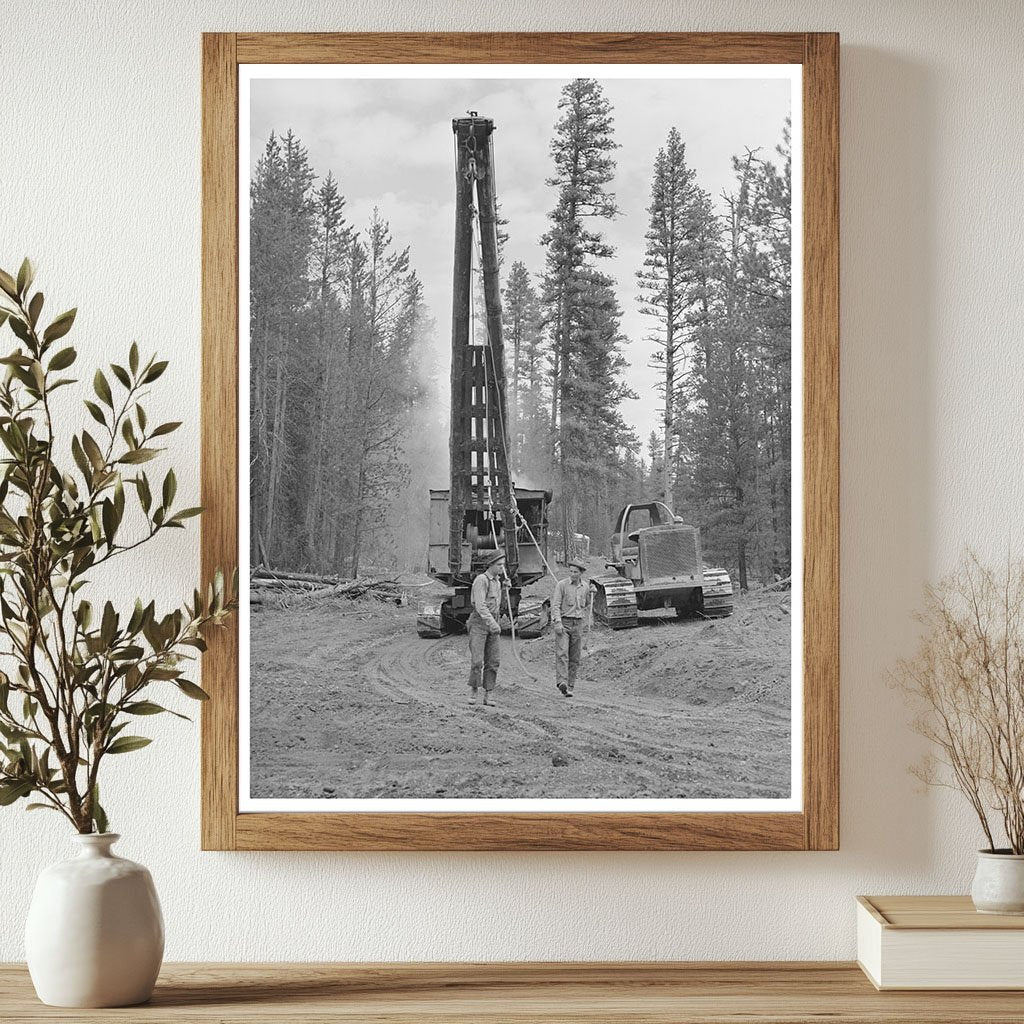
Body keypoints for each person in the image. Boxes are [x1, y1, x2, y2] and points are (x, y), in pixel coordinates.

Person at [467, 549, 506, 707]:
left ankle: (488, 694)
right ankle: (474, 691)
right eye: (499, 565)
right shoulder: (481, 580)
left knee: (494, 661)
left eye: (503, 565)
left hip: (493, 622)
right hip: (479, 623)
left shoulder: (498, 582)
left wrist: (506, 589)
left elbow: (497, 603)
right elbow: (480, 605)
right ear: (490, 565)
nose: (502, 568)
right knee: (477, 660)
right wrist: (492, 623)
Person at [551, 558, 591, 697]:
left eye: (575, 572)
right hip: (564, 623)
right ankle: (562, 682)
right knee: (562, 653)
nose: (572, 574)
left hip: (578, 624)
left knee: (575, 657)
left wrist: (593, 593)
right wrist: (557, 622)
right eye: (571, 571)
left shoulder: (585, 587)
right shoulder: (561, 585)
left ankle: (570, 686)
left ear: (581, 573)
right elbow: (555, 605)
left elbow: (586, 604)